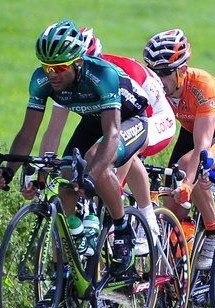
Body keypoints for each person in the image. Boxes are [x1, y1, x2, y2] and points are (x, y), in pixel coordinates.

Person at [0, 19, 150, 273]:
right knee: (66, 177)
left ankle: (122, 230)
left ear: (77, 62)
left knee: (97, 160)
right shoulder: (41, 81)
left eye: (60, 67)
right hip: (92, 120)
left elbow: (112, 133)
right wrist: (9, 170)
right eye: (47, 66)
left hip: (129, 120)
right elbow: (27, 133)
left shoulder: (101, 75)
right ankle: (67, 274)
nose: (52, 74)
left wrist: (91, 177)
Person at [39, 26, 178, 254]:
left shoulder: (111, 74)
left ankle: (147, 221)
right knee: (84, 162)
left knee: (118, 156)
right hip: (112, 117)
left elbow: (131, 127)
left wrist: (107, 179)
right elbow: (54, 130)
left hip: (153, 117)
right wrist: (44, 166)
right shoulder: (64, 80)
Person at [142, 28, 215, 270]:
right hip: (191, 128)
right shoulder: (155, 88)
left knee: (189, 169)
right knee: (170, 207)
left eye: (164, 72)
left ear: (182, 70)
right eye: (152, 72)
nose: (157, 79)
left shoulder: (201, 86)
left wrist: (188, 182)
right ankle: (177, 269)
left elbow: (203, 145)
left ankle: (213, 232)